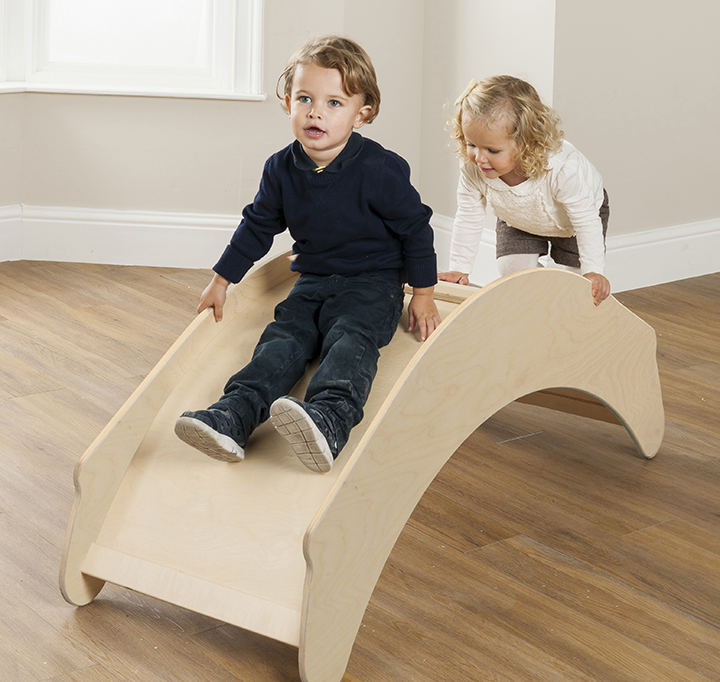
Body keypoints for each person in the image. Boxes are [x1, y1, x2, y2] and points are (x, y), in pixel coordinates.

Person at [174, 35, 440, 473]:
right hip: (313, 279)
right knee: (284, 338)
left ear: (363, 113)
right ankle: (234, 413)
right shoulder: (281, 167)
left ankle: (330, 417)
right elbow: (259, 225)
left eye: (335, 103)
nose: (316, 112)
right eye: (305, 98)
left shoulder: (380, 168)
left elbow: (415, 227)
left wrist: (424, 292)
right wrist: (222, 280)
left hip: (373, 282)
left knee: (350, 338)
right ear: (287, 102)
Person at [438, 75, 611, 305]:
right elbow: (469, 215)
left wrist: (594, 270)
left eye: (492, 150)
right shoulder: (473, 167)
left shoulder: (562, 169)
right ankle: (539, 303)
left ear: (525, 142)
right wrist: (459, 268)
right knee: (512, 273)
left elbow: (586, 220)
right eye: (472, 145)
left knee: (578, 285)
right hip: (518, 218)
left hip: (573, 221)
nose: (479, 157)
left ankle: (562, 302)